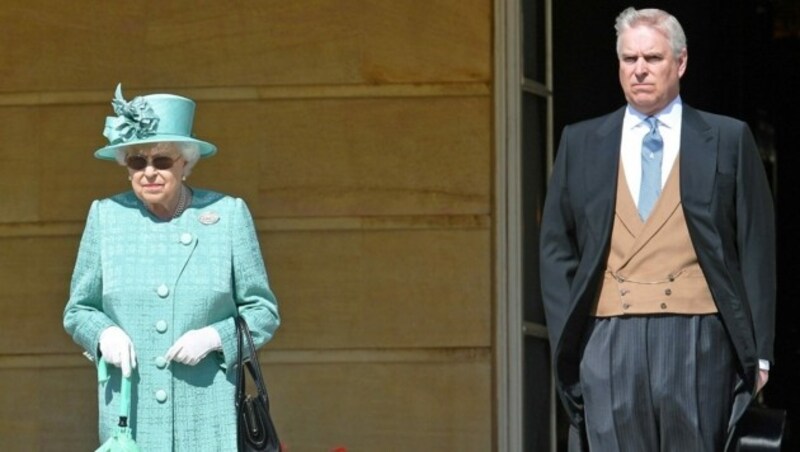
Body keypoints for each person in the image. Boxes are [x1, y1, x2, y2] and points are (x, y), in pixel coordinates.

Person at [539, 7, 775, 452]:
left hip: (698, 336)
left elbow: (756, 248)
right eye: (629, 60)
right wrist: (566, 343)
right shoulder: (582, 142)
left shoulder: (728, 138)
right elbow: (555, 249)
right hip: (607, 337)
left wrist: (760, 353)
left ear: (680, 63)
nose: (640, 70)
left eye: (653, 58)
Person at [63, 84, 280, 450]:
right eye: (137, 161)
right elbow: (79, 310)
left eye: (162, 161)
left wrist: (215, 338)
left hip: (209, 415)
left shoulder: (228, 215)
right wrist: (103, 334)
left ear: (185, 164)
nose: (149, 172)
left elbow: (263, 313)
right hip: (132, 416)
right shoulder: (106, 217)